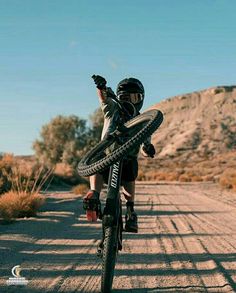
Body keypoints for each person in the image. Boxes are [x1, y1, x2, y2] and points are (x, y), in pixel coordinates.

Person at [83, 75, 156, 233]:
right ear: (119, 97)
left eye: (134, 97)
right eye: (124, 97)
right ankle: (94, 195)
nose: (130, 101)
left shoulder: (144, 120)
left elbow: (145, 145)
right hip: (107, 157)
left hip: (126, 160)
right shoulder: (113, 110)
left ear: (141, 99)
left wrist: (148, 149)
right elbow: (104, 99)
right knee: (97, 159)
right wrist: (101, 88)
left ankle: (129, 210)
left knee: (130, 166)